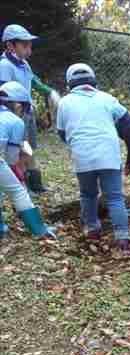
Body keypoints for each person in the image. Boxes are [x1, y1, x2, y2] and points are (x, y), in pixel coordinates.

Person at [56, 64, 130, 253]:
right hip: (109, 153)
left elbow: (62, 133)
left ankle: (92, 230)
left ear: (69, 83)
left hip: (83, 156)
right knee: (114, 197)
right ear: (93, 81)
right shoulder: (107, 98)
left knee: (88, 195)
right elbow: (127, 120)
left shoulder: (64, 102)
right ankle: (123, 237)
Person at [0, 24, 61, 194]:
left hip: (27, 111)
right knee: (19, 149)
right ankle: (22, 185)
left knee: (29, 147)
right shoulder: (5, 65)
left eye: (30, 45)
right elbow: (4, 93)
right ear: (10, 45)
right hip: (14, 113)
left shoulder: (24, 64)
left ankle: (35, 183)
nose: (29, 50)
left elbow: (33, 80)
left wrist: (49, 92)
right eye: (24, 45)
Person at [0, 81, 55, 238]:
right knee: (18, 192)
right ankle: (40, 231)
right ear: (17, 105)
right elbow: (11, 159)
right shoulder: (15, 121)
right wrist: (20, 173)